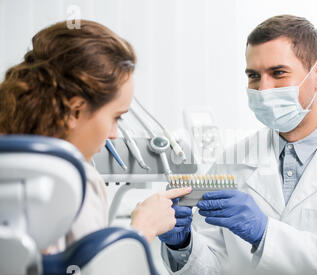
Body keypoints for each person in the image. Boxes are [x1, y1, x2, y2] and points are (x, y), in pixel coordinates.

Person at [158, 15, 317, 275]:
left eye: (278, 73)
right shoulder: (234, 159)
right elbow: (208, 274)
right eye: (254, 76)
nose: (263, 89)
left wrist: (266, 234)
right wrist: (181, 243)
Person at [0, 20, 191, 252]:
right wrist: (143, 228)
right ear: (75, 110)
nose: (114, 134)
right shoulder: (77, 181)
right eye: (116, 117)